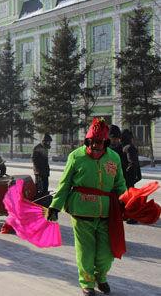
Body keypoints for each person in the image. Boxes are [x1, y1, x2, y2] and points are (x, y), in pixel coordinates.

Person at [46, 118, 126, 296]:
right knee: (86, 253)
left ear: (106, 142)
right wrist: (55, 206)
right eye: (93, 142)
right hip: (81, 212)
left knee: (106, 254)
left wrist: (127, 203)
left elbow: (120, 185)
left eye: (100, 142)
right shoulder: (76, 156)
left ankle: (101, 276)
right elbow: (65, 183)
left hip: (107, 213)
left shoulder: (114, 158)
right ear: (87, 141)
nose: (96, 146)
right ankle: (87, 283)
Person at [121, 129, 142, 225]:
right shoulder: (128, 147)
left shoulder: (128, 148)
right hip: (129, 177)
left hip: (128, 177)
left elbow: (133, 163)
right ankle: (126, 215)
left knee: (129, 198)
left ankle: (133, 217)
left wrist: (126, 174)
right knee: (126, 197)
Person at [32, 133, 52, 198]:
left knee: (45, 185)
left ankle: (44, 196)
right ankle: (39, 199)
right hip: (39, 172)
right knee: (40, 187)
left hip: (45, 171)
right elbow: (34, 160)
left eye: (49, 142)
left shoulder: (45, 148)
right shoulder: (37, 148)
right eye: (48, 142)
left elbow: (45, 160)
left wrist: (47, 169)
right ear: (44, 141)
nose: (49, 143)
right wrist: (38, 170)